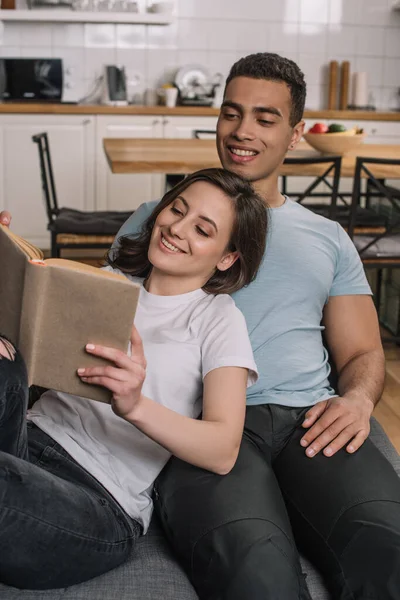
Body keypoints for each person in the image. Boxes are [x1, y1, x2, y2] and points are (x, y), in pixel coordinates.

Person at [109, 53, 400, 599]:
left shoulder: (328, 237)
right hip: (206, 428)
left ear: (295, 135)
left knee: (389, 543)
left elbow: (362, 351)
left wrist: (358, 400)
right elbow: (95, 309)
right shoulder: (160, 219)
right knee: (253, 566)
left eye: (266, 119)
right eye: (231, 113)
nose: (243, 132)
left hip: (306, 420)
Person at [0, 168, 267, 590]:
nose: (176, 229)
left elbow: (222, 450)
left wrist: (135, 405)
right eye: (176, 209)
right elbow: (29, 360)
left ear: (227, 257)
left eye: (201, 229)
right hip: (24, 440)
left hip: (96, 495)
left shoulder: (217, 319)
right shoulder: (108, 283)